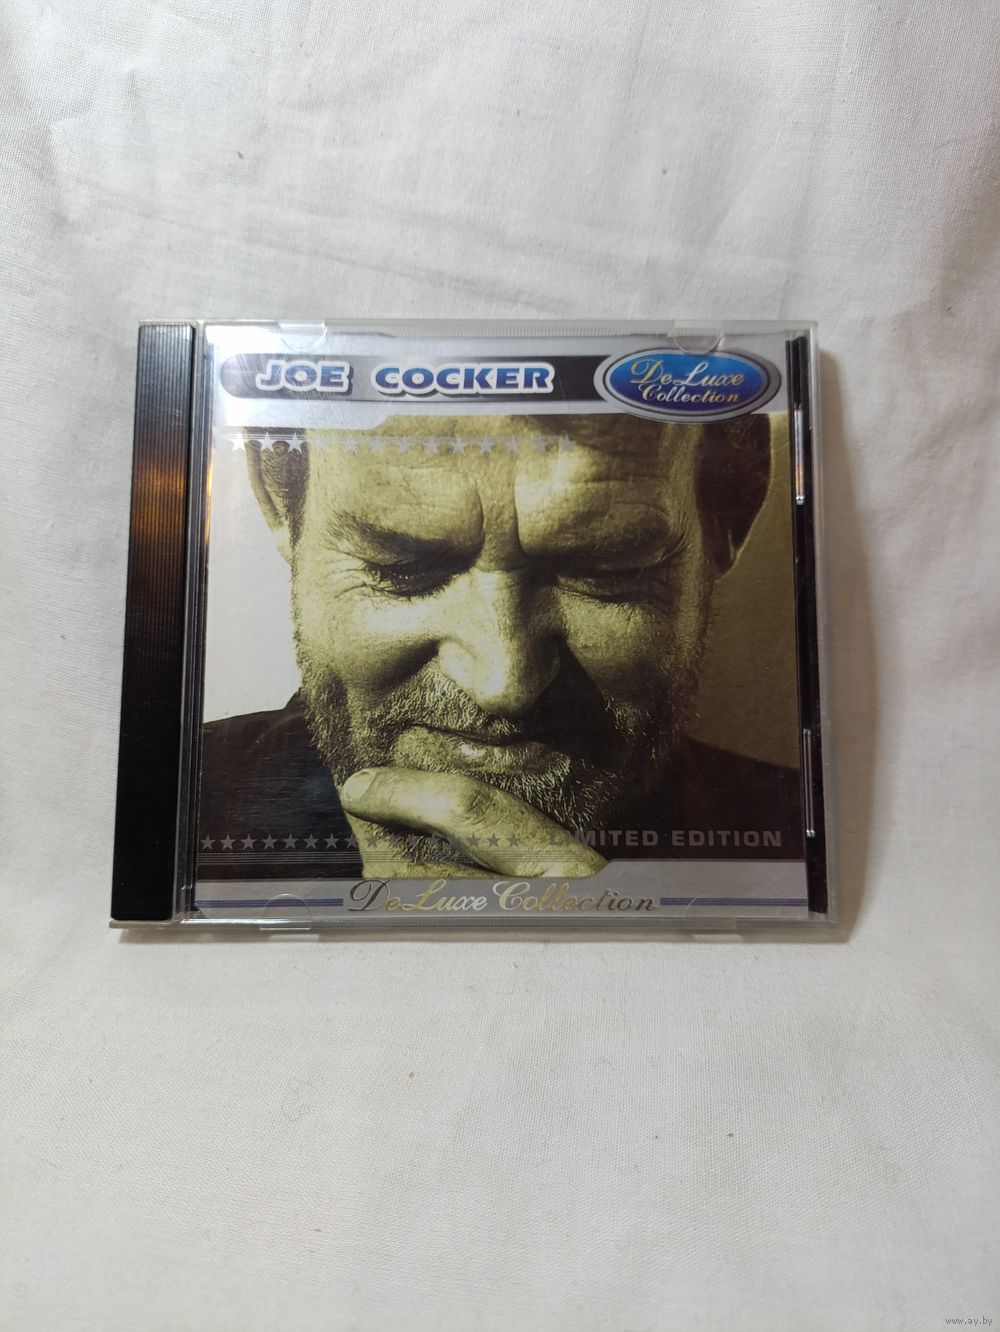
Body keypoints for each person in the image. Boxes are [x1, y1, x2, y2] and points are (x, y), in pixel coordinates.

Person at [198, 412, 803, 881]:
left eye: (604, 573)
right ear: (281, 499)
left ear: (729, 515)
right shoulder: (171, 816)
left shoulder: (808, 844)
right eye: (404, 569)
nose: (505, 682)